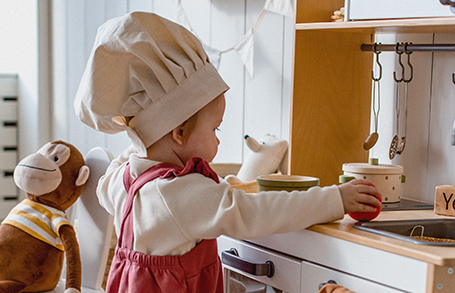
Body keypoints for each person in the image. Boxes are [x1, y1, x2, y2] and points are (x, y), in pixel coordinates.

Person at [74, 11, 381, 293]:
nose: (218, 142)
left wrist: (143, 135)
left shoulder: (122, 181)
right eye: (215, 129)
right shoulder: (180, 193)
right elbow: (257, 211)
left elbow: (107, 183)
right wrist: (334, 199)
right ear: (179, 132)